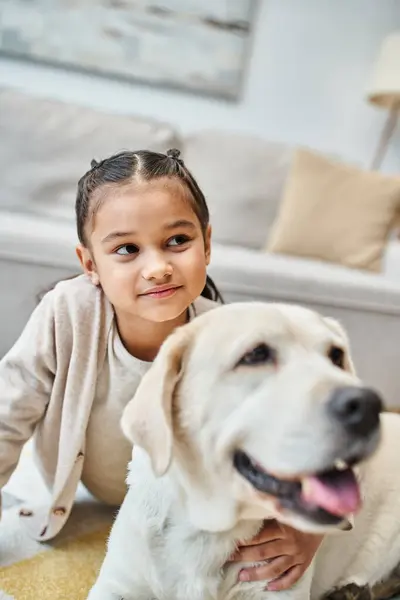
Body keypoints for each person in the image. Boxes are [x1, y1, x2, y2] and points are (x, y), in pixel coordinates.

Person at [0, 148, 323, 587]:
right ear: (90, 264)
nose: (157, 268)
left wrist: (308, 529)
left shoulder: (229, 335)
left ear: (207, 244)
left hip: (185, 507)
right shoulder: (67, 313)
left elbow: (304, 427)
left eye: (177, 241)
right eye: (127, 249)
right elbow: (8, 411)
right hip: (92, 491)